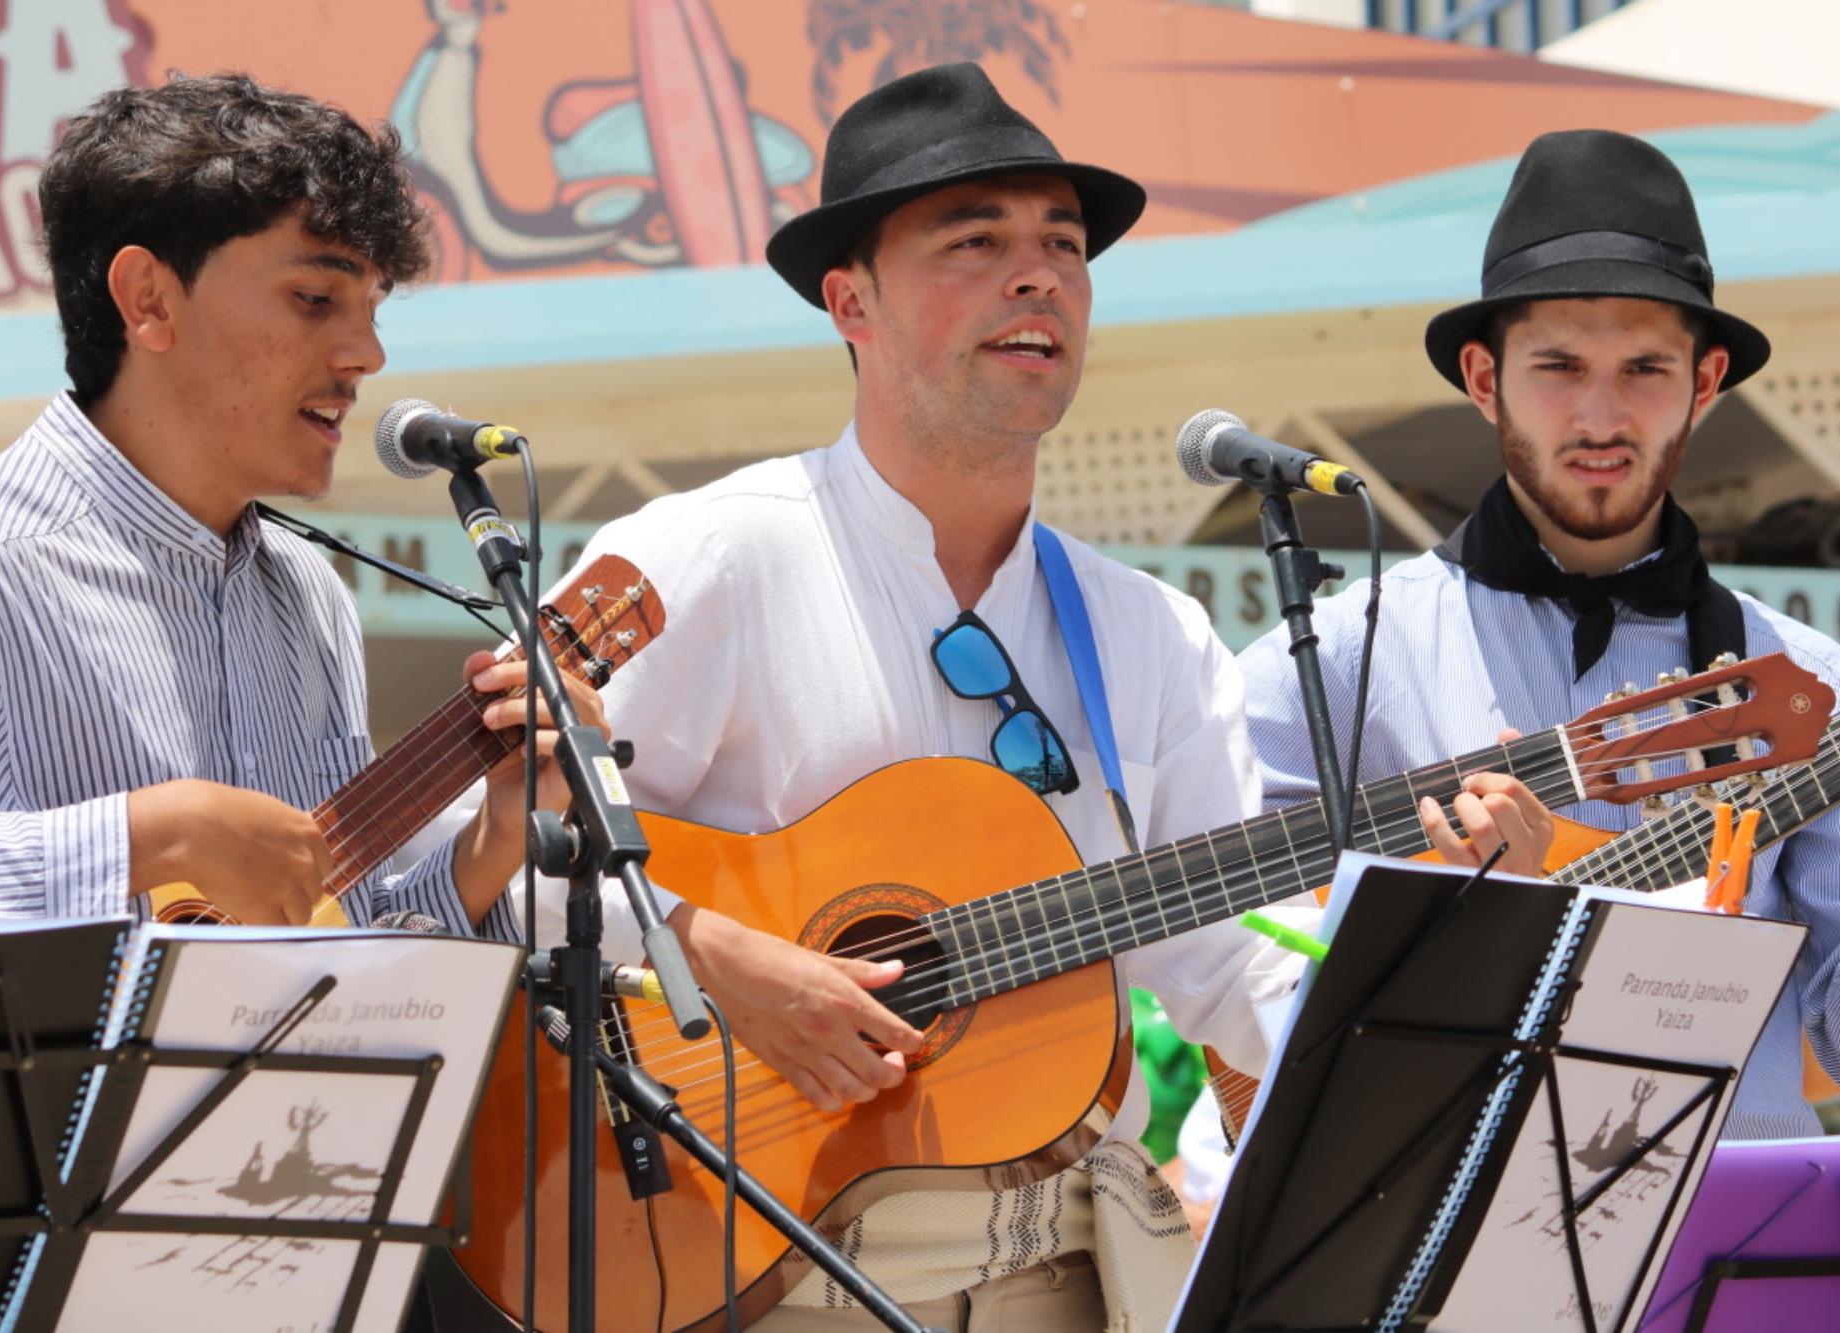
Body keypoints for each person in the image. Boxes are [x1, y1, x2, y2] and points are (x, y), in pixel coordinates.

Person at [513, 62, 1310, 1329]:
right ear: (851, 301)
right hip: (758, 1269)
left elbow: (1230, 961)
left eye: (1061, 243)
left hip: (1070, 1272)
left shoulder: (1148, 632)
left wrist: (1456, 948)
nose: (1037, 273)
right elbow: (494, 862)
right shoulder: (705, 561)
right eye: (975, 240)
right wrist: (716, 960)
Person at [1240, 128, 1840, 1139]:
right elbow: (1229, 983)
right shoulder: (1326, 665)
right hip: (1436, 1266)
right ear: (1482, 377)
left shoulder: (1815, 686)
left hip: (1730, 1251)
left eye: (1642, 368)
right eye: (1556, 366)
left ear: (1703, 383)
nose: (1598, 414)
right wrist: (1419, 934)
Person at [0, 73, 599, 934]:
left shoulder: (311, 597)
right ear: (149, 299)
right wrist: (150, 835)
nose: (366, 353)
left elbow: (336, 934)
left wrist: (496, 831)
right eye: (315, 298)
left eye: (372, 307)